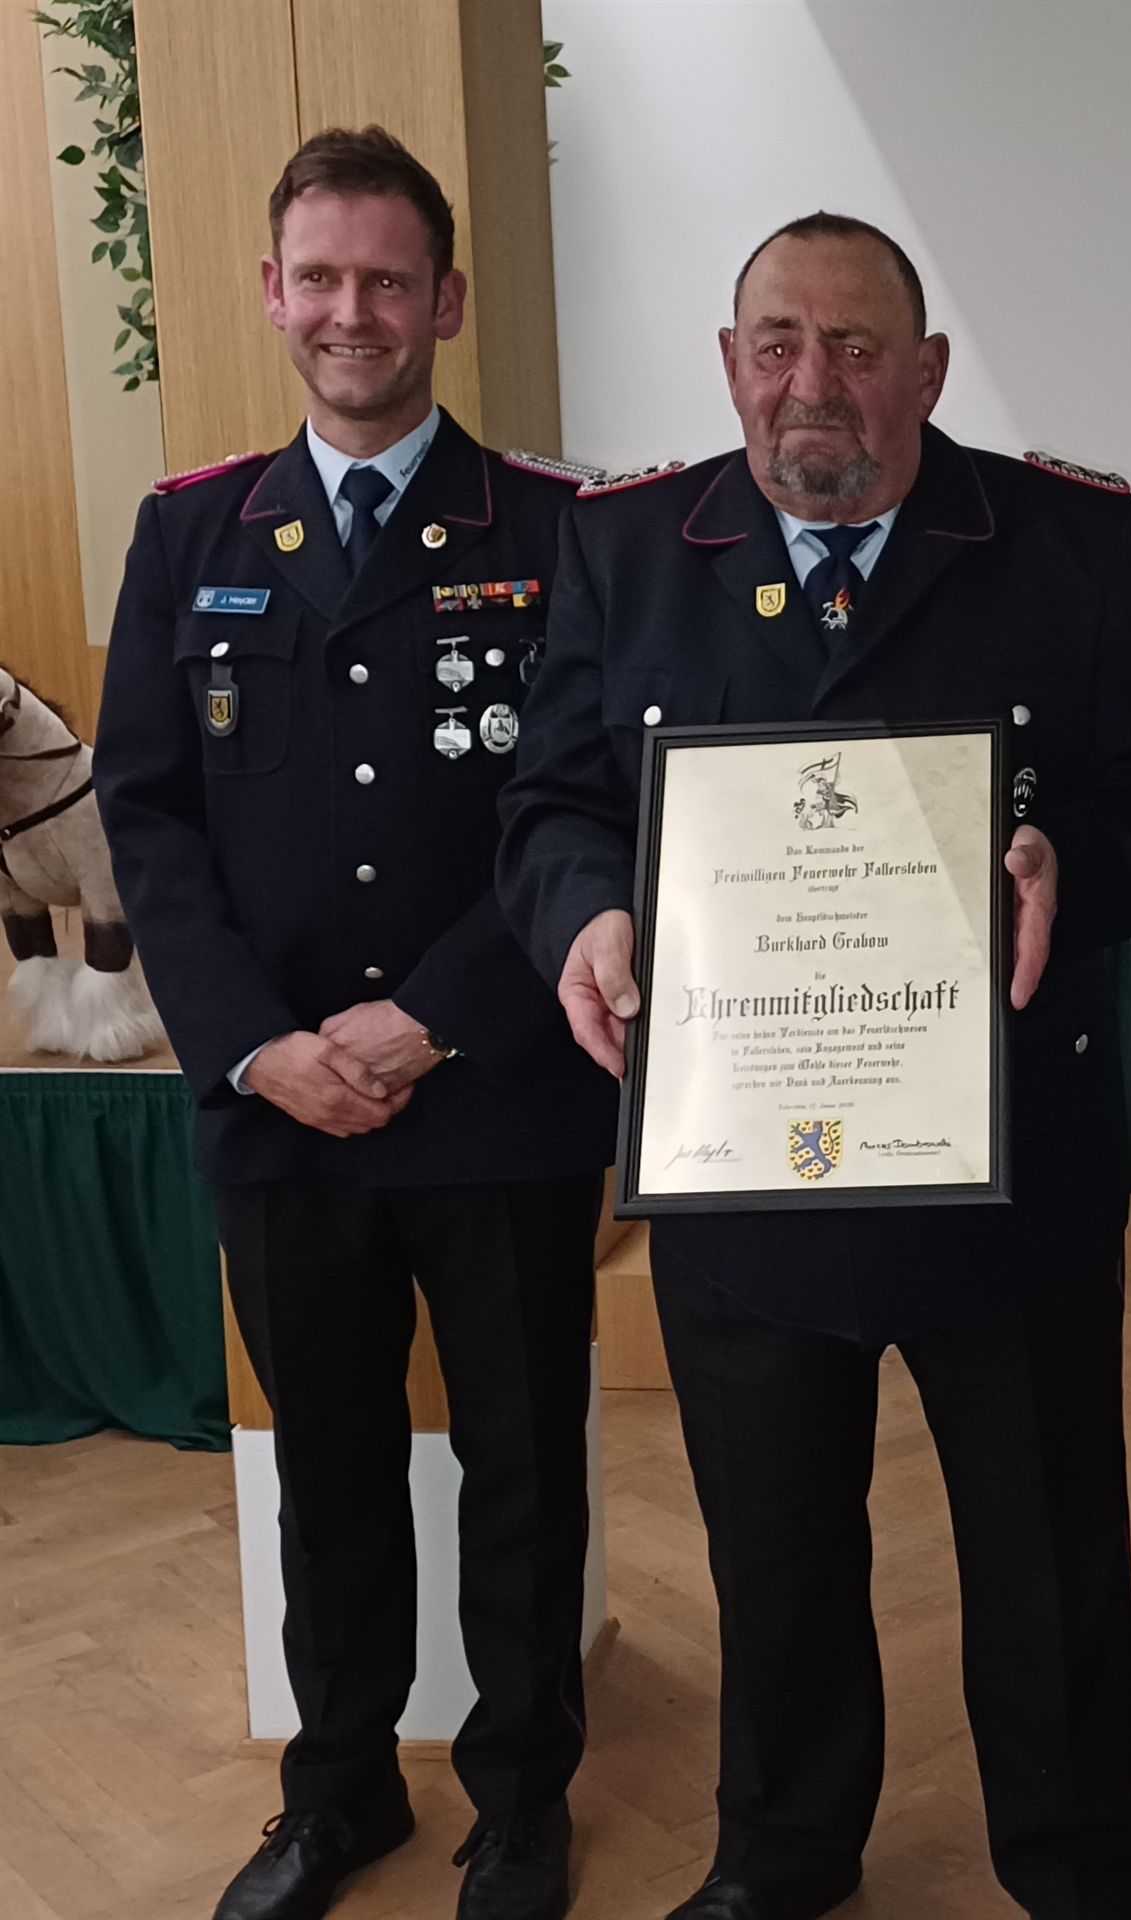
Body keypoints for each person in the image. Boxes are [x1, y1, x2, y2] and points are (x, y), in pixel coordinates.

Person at [496, 212, 1131, 1920]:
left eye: (852, 345)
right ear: (729, 362)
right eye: (775, 342)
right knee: (772, 1548)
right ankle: (782, 1854)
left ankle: (1077, 1865)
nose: (809, 380)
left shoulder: (1068, 539)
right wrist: (586, 915)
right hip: (741, 1159)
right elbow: (551, 800)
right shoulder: (626, 545)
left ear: (927, 371)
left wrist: (1064, 860)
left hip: (1006, 1162)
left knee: (1049, 1551)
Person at [92, 127, 616, 1920]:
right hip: (281, 1110)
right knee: (323, 1468)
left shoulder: (556, 529)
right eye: (318, 277)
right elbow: (149, 818)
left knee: (522, 1466)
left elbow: (584, 802)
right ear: (271, 292)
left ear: (445, 301)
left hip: (498, 1096)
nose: (351, 312)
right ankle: (338, 1794)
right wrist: (260, 1047)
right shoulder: (193, 532)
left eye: (388, 279)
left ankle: (521, 1801)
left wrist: (426, 1022)